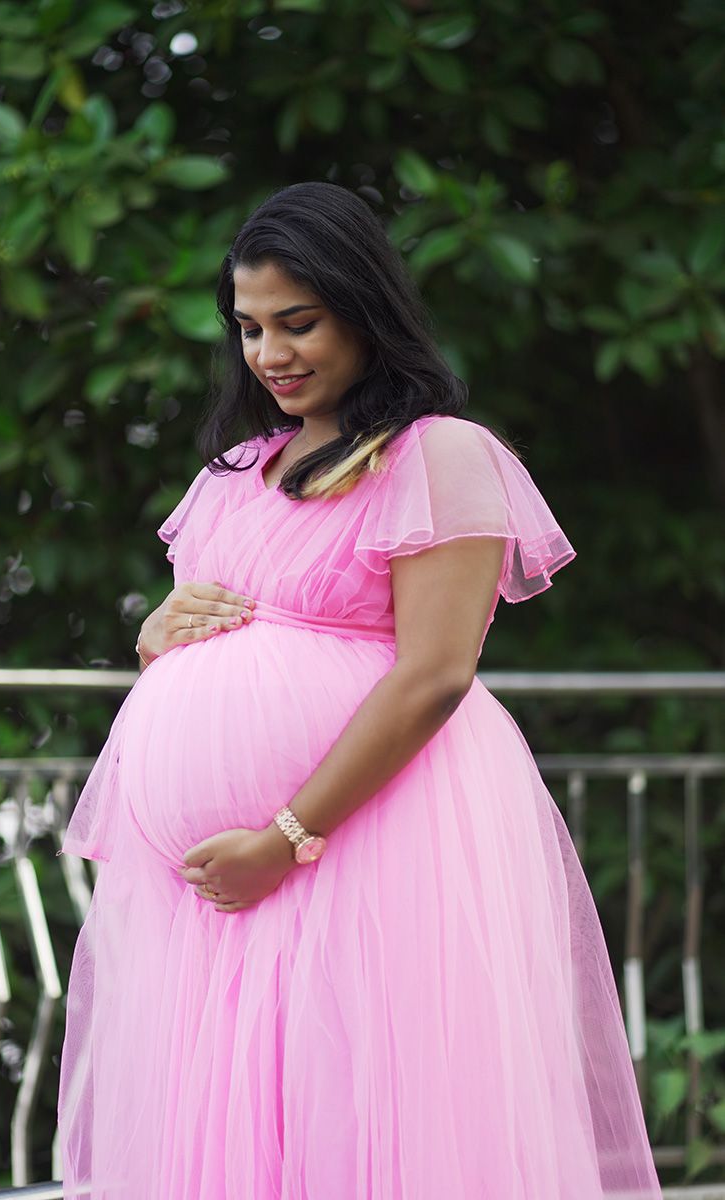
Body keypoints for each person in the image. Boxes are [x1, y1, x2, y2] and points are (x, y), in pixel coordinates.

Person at [56, 181, 662, 1199]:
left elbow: (435, 673)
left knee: (365, 1102)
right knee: (246, 1127)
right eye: (249, 328)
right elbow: (204, 637)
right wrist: (157, 638)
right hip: (212, 895)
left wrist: (285, 836)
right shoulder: (234, 473)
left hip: (371, 841)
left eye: (300, 323)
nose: (272, 353)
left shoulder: (441, 458)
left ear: (364, 310)